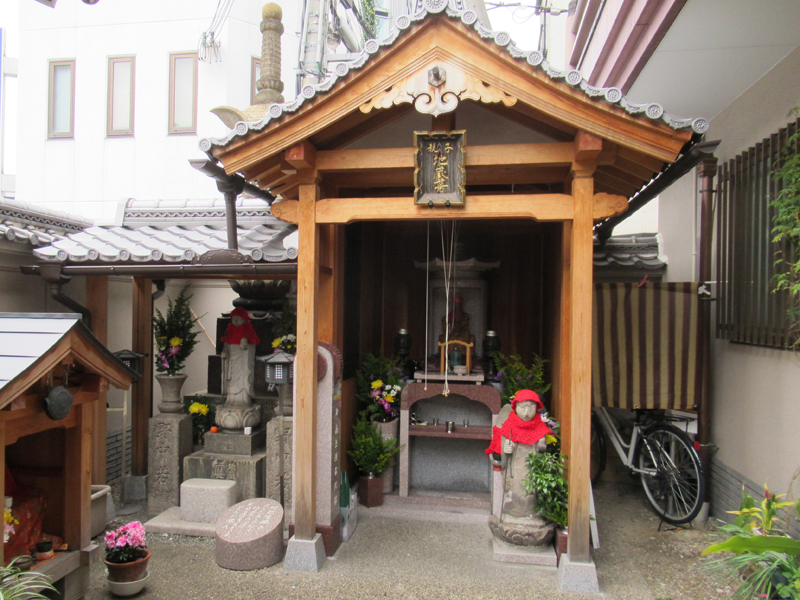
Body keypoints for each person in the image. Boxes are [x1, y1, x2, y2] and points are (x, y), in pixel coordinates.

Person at [486, 389, 555, 546]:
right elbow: (504, 449)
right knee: (516, 489)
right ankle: (513, 514)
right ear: (515, 408)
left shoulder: (539, 426)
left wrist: (541, 446)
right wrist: (507, 449)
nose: (526, 412)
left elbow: (543, 451)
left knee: (532, 490)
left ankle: (532, 515)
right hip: (515, 467)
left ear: (536, 408)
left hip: (531, 467)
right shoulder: (509, 425)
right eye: (523, 407)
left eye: (530, 407)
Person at [217, 307, 261, 429]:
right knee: (230, 381)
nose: (236, 321)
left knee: (242, 379)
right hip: (231, 362)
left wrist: (246, 343)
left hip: (242, 362)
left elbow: (253, 345)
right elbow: (225, 346)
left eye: (238, 319)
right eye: (234, 319)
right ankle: (230, 401)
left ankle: (244, 400)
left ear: (244, 319)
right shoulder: (229, 332)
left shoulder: (248, 331)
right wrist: (224, 353)